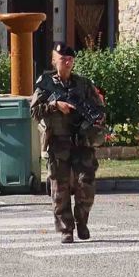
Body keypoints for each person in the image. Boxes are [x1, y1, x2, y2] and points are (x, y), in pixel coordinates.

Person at [30, 41, 104, 244]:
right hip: (58, 142)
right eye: (63, 59)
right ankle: (66, 229)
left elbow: (98, 108)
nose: (68, 62)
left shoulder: (83, 84)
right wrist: (55, 105)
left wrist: (96, 118)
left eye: (71, 59)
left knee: (86, 184)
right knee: (60, 188)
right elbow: (34, 111)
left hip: (82, 141)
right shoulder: (45, 84)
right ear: (55, 61)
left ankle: (82, 221)